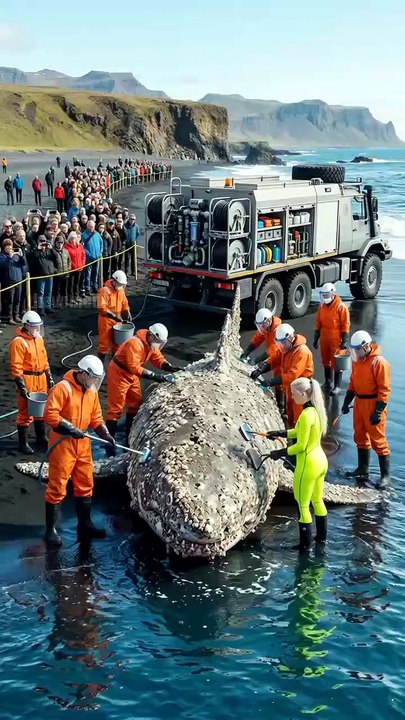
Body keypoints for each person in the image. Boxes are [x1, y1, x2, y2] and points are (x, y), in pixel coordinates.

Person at [43, 355, 115, 546]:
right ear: (83, 373)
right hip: (62, 444)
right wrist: (70, 428)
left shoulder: (91, 391)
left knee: (85, 483)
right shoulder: (62, 388)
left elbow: (96, 418)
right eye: (94, 378)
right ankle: (50, 530)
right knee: (57, 485)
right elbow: (50, 415)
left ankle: (85, 524)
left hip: (82, 443)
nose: (96, 382)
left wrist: (106, 435)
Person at [266, 377, 328, 550]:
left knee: (302, 504)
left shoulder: (306, 415)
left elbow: (301, 446)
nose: (292, 397)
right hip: (320, 461)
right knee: (317, 500)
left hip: (308, 464)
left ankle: (304, 545)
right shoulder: (315, 411)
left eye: (293, 394)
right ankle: (321, 539)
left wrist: (280, 453)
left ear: (303, 394)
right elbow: (299, 432)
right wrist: (280, 433)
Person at [106, 323, 181, 448]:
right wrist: (154, 376)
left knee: (135, 404)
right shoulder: (134, 344)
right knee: (115, 409)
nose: (159, 345)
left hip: (131, 375)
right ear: (151, 336)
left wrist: (169, 367)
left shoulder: (150, 345)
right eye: (159, 342)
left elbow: (157, 358)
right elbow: (134, 367)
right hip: (119, 373)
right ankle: (109, 444)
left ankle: (128, 440)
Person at [341, 330, 391, 489]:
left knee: (378, 439)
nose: (354, 353)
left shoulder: (379, 363)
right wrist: (346, 402)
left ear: (366, 346)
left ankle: (385, 476)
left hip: (373, 403)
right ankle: (362, 469)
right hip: (359, 402)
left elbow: (384, 390)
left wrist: (378, 412)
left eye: (357, 350)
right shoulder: (357, 361)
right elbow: (352, 383)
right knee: (360, 435)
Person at [9, 311, 54, 454]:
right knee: (25, 411)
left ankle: (41, 437)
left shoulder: (39, 339)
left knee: (40, 409)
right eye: (35, 326)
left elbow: (45, 360)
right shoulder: (18, 342)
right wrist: (21, 386)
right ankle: (23, 444)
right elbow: (16, 367)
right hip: (27, 379)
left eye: (39, 326)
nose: (38, 329)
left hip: (40, 377)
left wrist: (49, 376)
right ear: (27, 326)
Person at [258, 323, 314, 427]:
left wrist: (271, 382)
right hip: (291, 387)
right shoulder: (287, 348)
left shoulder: (302, 351)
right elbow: (276, 358)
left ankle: (300, 435)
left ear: (291, 337)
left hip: (302, 389)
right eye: (280, 343)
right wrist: (263, 368)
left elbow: (292, 375)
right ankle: (292, 432)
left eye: (283, 343)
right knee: (290, 413)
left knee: (299, 417)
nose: (282, 346)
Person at [313, 283, 350, 395]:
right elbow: (318, 323)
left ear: (333, 294)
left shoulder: (341, 307)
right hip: (325, 338)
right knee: (325, 361)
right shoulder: (322, 307)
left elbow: (345, 325)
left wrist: (344, 341)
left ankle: (337, 386)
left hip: (336, 340)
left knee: (337, 363)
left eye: (327, 295)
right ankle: (328, 382)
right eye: (323, 295)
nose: (325, 297)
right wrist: (316, 339)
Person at [97, 270, 130, 363]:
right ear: (114, 281)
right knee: (104, 345)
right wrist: (114, 316)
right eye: (120, 284)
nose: (121, 286)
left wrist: (126, 313)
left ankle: (114, 365)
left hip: (117, 320)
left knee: (118, 344)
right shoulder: (104, 291)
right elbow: (101, 308)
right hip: (106, 320)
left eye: (122, 285)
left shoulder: (121, 291)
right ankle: (100, 365)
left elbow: (125, 304)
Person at [28, 235, 58, 315]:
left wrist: (52, 249)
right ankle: (40, 308)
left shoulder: (49, 251)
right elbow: (32, 258)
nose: (43, 243)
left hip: (49, 274)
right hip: (41, 275)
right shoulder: (35, 251)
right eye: (41, 241)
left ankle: (48, 307)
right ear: (38, 241)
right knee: (41, 293)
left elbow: (56, 257)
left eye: (44, 241)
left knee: (48, 292)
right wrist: (37, 249)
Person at [0, 239, 26, 324]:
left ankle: (16, 315)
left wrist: (21, 256)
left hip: (18, 280)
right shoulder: (2, 256)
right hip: (9, 281)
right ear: (4, 247)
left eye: (10, 246)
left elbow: (23, 263)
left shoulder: (16, 255)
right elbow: (4, 266)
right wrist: (10, 258)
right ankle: (10, 317)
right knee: (10, 301)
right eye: (7, 246)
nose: (9, 247)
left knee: (17, 300)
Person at [81, 220, 103, 295]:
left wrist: (100, 252)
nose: (91, 228)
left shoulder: (97, 234)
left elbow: (101, 243)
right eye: (90, 226)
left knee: (96, 272)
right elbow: (83, 247)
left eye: (92, 226)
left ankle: (95, 287)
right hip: (89, 257)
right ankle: (87, 288)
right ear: (87, 226)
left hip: (97, 256)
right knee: (88, 273)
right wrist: (89, 254)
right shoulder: (84, 235)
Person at [65, 231, 86, 304]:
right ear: (69, 239)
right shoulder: (66, 247)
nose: (73, 240)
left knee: (77, 283)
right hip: (71, 269)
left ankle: (76, 296)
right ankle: (70, 298)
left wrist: (82, 264)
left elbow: (83, 255)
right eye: (72, 238)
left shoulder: (80, 246)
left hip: (79, 268)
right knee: (71, 284)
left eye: (74, 238)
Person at [52, 235, 71, 308]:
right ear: (55, 243)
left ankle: (63, 302)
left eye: (61, 243)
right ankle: (56, 303)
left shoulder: (66, 251)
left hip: (65, 274)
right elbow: (51, 263)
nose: (60, 244)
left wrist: (69, 269)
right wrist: (55, 270)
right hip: (57, 275)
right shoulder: (53, 252)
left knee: (64, 289)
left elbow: (69, 260)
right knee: (56, 290)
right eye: (58, 243)